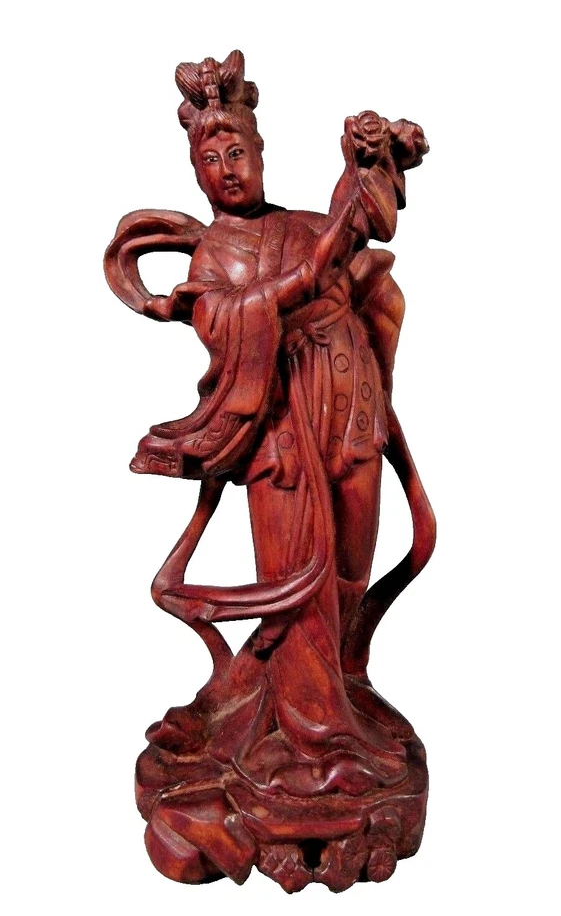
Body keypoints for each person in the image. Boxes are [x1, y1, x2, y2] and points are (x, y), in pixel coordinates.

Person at [105, 50, 436, 886]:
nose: (226, 169)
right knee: (297, 580)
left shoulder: (300, 224)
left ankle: (338, 698)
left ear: (260, 154)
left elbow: (369, 246)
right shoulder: (214, 255)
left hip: (349, 406)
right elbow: (224, 323)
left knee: (350, 567)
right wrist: (294, 285)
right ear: (197, 172)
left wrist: (370, 168)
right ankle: (309, 739)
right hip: (280, 429)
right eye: (209, 159)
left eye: (237, 153)